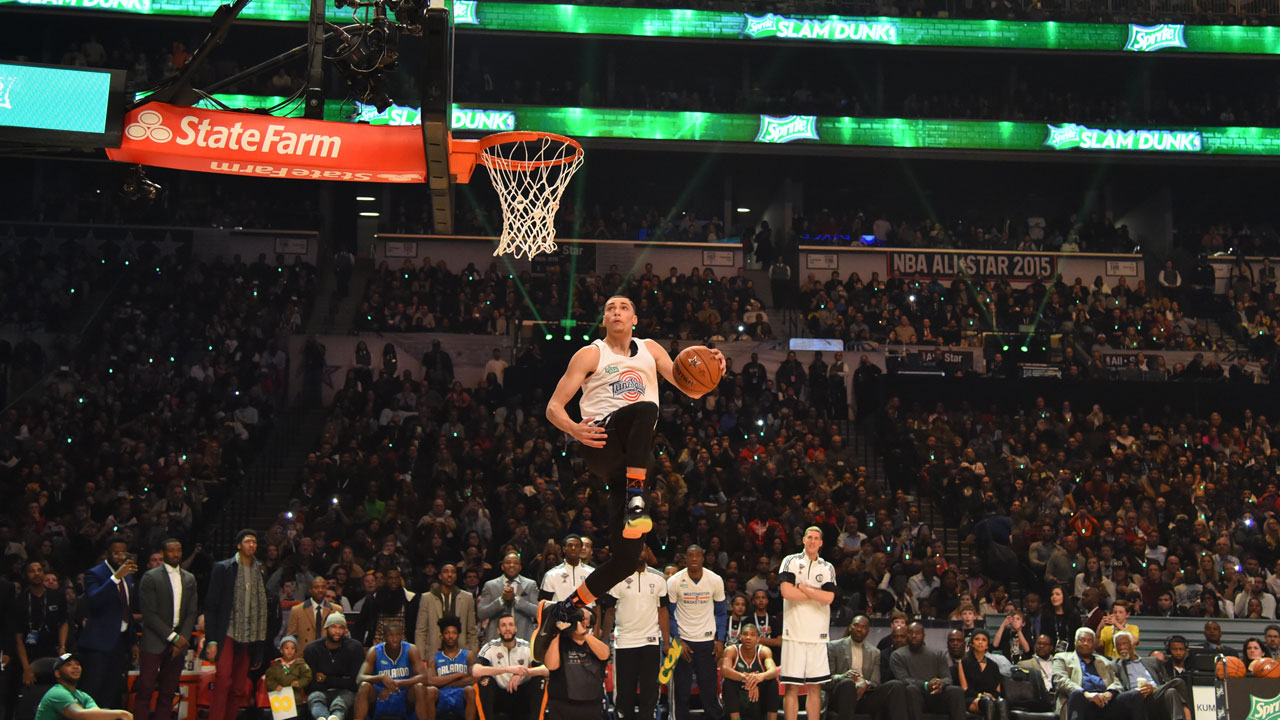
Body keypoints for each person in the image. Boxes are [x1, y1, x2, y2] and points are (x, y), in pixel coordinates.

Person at [540, 295, 724, 647]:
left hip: (633, 463)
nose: (616, 312)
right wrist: (576, 429)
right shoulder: (591, 354)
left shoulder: (650, 350)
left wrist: (714, 370)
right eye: (610, 308)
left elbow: (691, 387)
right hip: (601, 443)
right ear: (604, 319)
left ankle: (562, 610)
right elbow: (553, 407)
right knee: (645, 409)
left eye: (623, 307)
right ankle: (636, 503)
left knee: (625, 560)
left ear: (634, 319)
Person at [204, 529, 272, 720]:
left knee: (238, 686)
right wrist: (211, 640)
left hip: (250, 633)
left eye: (255, 542)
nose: (252, 545)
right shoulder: (224, 568)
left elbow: (261, 607)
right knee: (224, 679)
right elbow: (211, 606)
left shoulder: (260, 570)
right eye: (248, 541)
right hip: (227, 629)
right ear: (238, 545)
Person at [133, 538, 197, 720]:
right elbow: (149, 614)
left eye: (179, 550)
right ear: (163, 553)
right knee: (145, 689)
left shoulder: (189, 578)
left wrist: (182, 638)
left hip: (179, 643)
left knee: (168, 692)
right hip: (154, 640)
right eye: (171, 550)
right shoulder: (150, 577)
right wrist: (174, 637)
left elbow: (192, 611)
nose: (176, 554)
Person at [601, 547, 668, 720]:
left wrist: (666, 642)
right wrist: (604, 640)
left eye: (643, 549)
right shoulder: (618, 577)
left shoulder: (658, 578)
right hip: (625, 642)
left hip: (651, 642)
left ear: (648, 553)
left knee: (650, 692)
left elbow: (663, 612)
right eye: (637, 549)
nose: (640, 552)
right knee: (624, 693)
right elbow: (609, 611)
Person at [779, 527, 837, 720]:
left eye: (816, 538)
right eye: (809, 537)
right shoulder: (790, 561)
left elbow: (829, 597)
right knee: (792, 687)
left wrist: (803, 587)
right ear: (803, 540)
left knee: (815, 687)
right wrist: (815, 594)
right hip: (793, 633)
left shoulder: (827, 567)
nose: (812, 541)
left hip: (818, 636)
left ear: (821, 543)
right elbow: (787, 593)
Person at [667, 544, 727, 720]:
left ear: (703, 558)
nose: (694, 559)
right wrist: (677, 640)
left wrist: (720, 640)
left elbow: (721, 612)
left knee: (709, 690)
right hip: (682, 643)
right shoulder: (674, 581)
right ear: (685, 559)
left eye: (697, 555)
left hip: (707, 641)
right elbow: (669, 615)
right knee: (681, 692)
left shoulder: (715, 580)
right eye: (690, 555)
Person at [79, 536, 138, 709]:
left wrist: (133, 641)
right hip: (98, 643)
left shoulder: (128, 576)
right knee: (93, 689)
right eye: (116, 553)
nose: (120, 557)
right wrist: (115, 578)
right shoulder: (95, 573)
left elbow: (127, 609)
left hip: (119, 642)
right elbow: (93, 600)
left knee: (112, 690)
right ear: (107, 554)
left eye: (123, 553)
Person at [1051, 627, 1144, 720]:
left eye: (1089, 641)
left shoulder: (1103, 661)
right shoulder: (1062, 658)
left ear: (1094, 644)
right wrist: (1085, 694)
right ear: (1075, 641)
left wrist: (1110, 693)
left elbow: (1117, 682)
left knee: (1134, 695)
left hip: (1105, 702)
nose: (1086, 643)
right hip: (1083, 701)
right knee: (1077, 694)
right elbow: (1059, 680)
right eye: (1082, 640)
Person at [825, 615, 907, 720]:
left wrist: (866, 684)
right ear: (850, 627)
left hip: (864, 696)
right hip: (840, 696)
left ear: (868, 631)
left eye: (863, 627)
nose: (859, 629)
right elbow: (826, 680)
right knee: (848, 683)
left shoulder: (874, 652)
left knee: (895, 685)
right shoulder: (833, 647)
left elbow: (876, 682)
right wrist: (842, 677)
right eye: (856, 626)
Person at [472, 614, 546, 720]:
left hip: (522, 694)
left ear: (516, 629)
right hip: (499, 695)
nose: (507, 629)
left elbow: (546, 670)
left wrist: (524, 672)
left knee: (540, 680)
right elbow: (475, 671)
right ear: (498, 630)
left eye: (511, 625)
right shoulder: (490, 647)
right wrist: (508, 669)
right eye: (503, 625)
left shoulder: (526, 646)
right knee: (485, 681)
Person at [353, 620, 430, 720]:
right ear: (384, 637)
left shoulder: (411, 649)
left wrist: (395, 684)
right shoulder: (374, 651)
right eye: (391, 635)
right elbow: (359, 678)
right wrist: (381, 677)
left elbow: (424, 677)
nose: (395, 639)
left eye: (398, 635)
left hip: (404, 694)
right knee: (364, 686)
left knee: (419, 687)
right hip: (380, 696)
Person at [890, 622, 966, 720]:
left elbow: (947, 678)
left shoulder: (937, 654)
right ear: (906, 635)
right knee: (911, 689)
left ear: (923, 636)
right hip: (915, 696)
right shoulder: (897, 655)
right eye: (910, 633)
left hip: (937, 695)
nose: (914, 636)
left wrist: (940, 683)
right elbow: (904, 679)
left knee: (956, 691)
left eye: (917, 633)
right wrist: (926, 685)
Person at [15, 559, 69, 691]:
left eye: (39, 570)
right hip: (29, 652)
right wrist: (26, 668)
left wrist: (62, 646)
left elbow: (63, 622)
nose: (37, 574)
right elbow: (18, 637)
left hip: (53, 650)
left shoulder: (57, 596)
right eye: (32, 571)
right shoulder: (20, 601)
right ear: (26, 575)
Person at [543, 614, 609, 720]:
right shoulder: (559, 644)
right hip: (562, 707)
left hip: (591, 707)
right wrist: (557, 632)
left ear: (590, 623)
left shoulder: (595, 643)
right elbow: (551, 665)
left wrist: (583, 633)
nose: (580, 622)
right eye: (578, 618)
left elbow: (605, 654)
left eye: (584, 619)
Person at [1113, 631, 1191, 720]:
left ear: (1132, 645)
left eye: (1125, 644)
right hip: (1136, 696)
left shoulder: (1152, 661)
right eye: (1118, 645)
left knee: (1173, 688)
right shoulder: (1115, 665)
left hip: (1155, 694)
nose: (1122, 648)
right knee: (1172, 689)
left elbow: (1166, 681)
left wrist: (1153, 689)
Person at [34, 653, 133, 720]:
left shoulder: (82, 695)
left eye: (77, 664)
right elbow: (79, 714)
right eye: (69, 664)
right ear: (58, 674)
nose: (75, 667)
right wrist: (121, 713)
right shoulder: (57, 692)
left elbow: (96, 714)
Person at [304, 613, 365, 720]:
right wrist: (342, 681)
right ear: (326, 628)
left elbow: (355, 683)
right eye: (333, 627)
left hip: (346, 692)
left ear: (345, 630)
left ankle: (335, 718)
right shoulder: (312, 649)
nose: (337, 631)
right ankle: (323, 717)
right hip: (319, 692)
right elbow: (310, 684)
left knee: (340, 704)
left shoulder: (355, 648)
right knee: (315, 700)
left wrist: (325, 679)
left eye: (341, 627)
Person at [416, 563, 478, 659]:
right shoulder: (427, 598)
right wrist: (420, 657)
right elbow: (421, 630)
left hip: (461, 654)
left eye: (453, 572)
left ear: (456, 576)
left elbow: (472, 630)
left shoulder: (467, 598)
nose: (449, 575)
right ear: (440, 576)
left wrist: (472, 655)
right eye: (446, 572)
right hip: (434, 653)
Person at [721, 623, 780, 720]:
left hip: (757, 699)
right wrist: (747, 679)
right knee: (728, 683)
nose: (748, 637)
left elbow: (774, 671)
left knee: (773, 683)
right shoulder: (731, 650)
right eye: (745, 634)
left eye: (752, 635)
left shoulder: (764, 651)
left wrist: (759, 677)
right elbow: (725, 670)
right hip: (739, 696)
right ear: (740, 637)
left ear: (758, 639)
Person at [477, 553, 539, 643]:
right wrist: (501, 600)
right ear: (502, 566)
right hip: (496, 639)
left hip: (524, 638)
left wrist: (516, 600)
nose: (511, 565)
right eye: (508, 562)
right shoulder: (490, 585)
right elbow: (481, 614)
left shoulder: (530, 585)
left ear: (520, 567)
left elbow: (538, 612)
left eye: (516, 563)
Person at [425, 617, 477, 720]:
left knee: (470, 690)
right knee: (430, 691)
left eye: (454, 633)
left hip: (461, 697)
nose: (450, 636)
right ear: (441, 636)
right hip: (442, 697)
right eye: (447, 633)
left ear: (458, 636)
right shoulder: (434, 658)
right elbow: (430, 680)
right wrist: (458, 675)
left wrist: (445, 682)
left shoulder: (468, 655)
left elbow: (473, 679)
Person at [957, 630, 1005, 720]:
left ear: (987, 645)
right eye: (977, 639)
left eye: (984, 640)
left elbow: (997, 690)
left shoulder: (993, 665)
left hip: (990, 698)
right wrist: (981, 696)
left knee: (1002, 702)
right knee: (987, 703)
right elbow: (965, 689)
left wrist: (991, 696)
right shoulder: (964, 662)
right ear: (972, 643)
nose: (980, 642)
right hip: (972, 698)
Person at [288, 576, 342, 648]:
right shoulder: (297, 610)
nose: (320, 590)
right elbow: (290, 637)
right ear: (310, 590)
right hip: (303, 655)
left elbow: (344, 634)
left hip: (329, 654)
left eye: (323, 587)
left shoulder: (336, 610)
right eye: (316, 587)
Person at [264, 636, 312, 713]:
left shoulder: (300, 664)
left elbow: (307, 676)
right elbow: (269, 679)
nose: (290, 651)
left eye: (292, 648)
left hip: (296, 700)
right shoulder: (275, 665)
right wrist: (275, 686)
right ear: (281, 650)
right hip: (279, 700)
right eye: (286, 648)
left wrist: (299, 683)